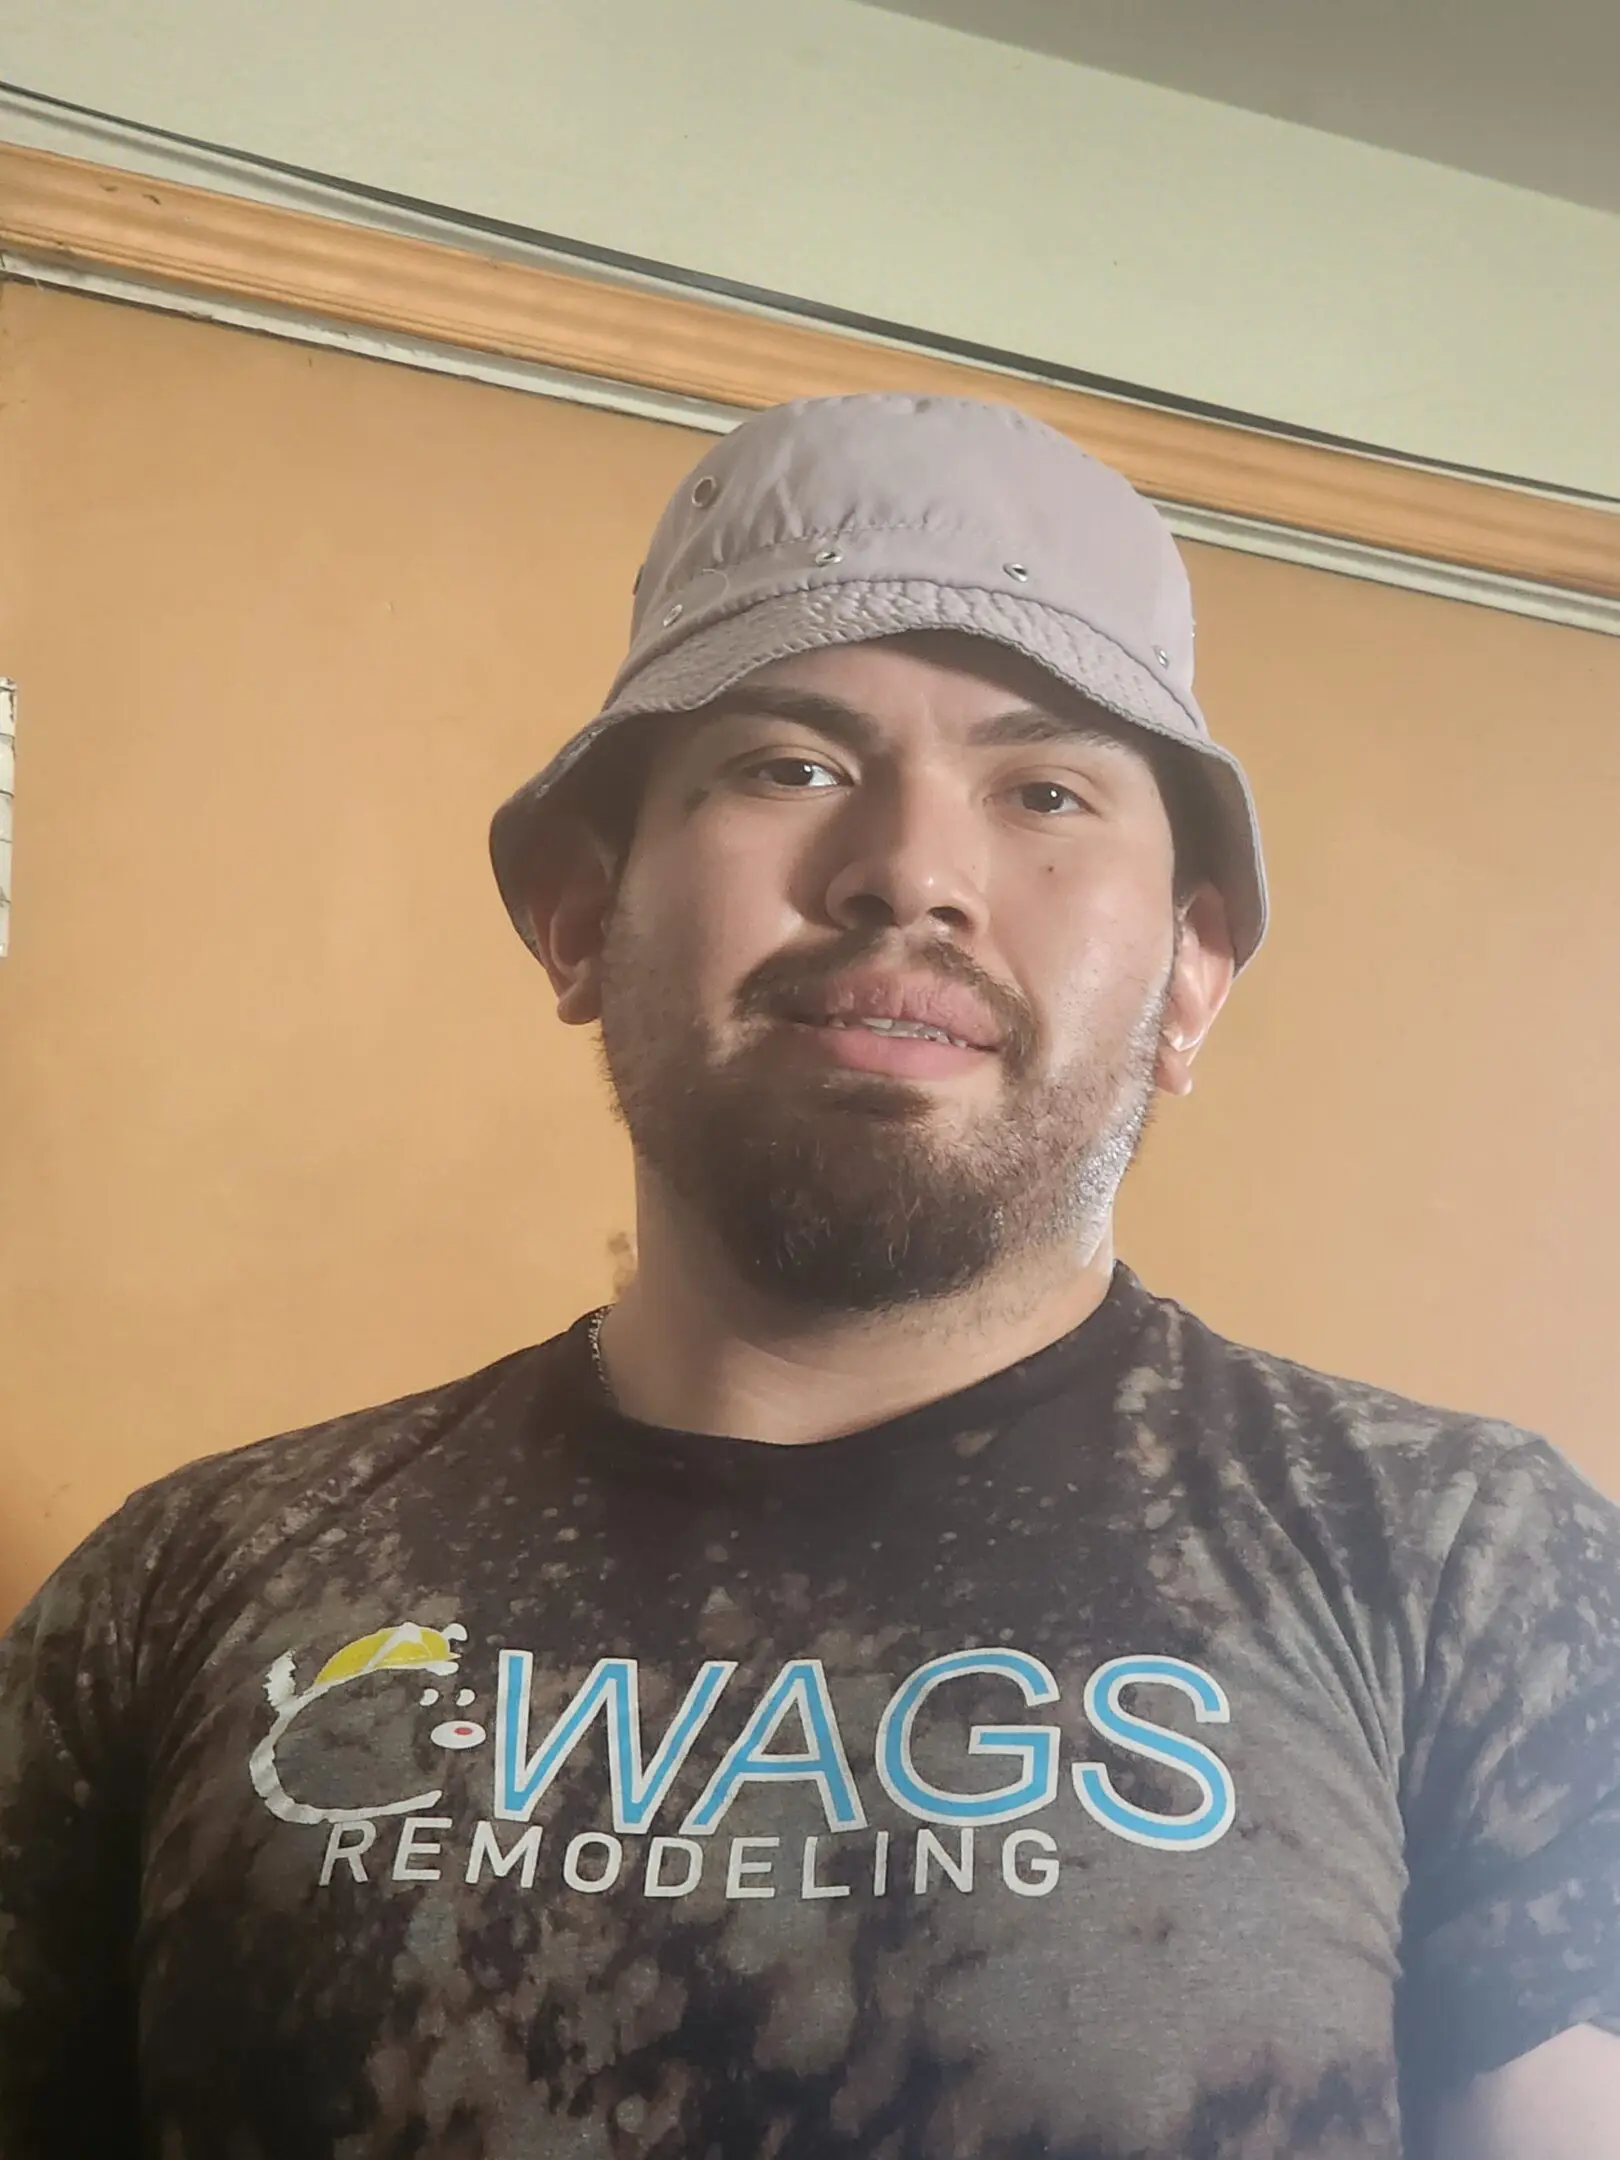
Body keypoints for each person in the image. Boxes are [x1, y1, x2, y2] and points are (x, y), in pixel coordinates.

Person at [0, 392, 1615, 2160]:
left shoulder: (1463, 1566)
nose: (909, 874)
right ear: (578, 913)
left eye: (1046, 790)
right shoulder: (190, 1586)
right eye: (791, 764)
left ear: (1189, 979)